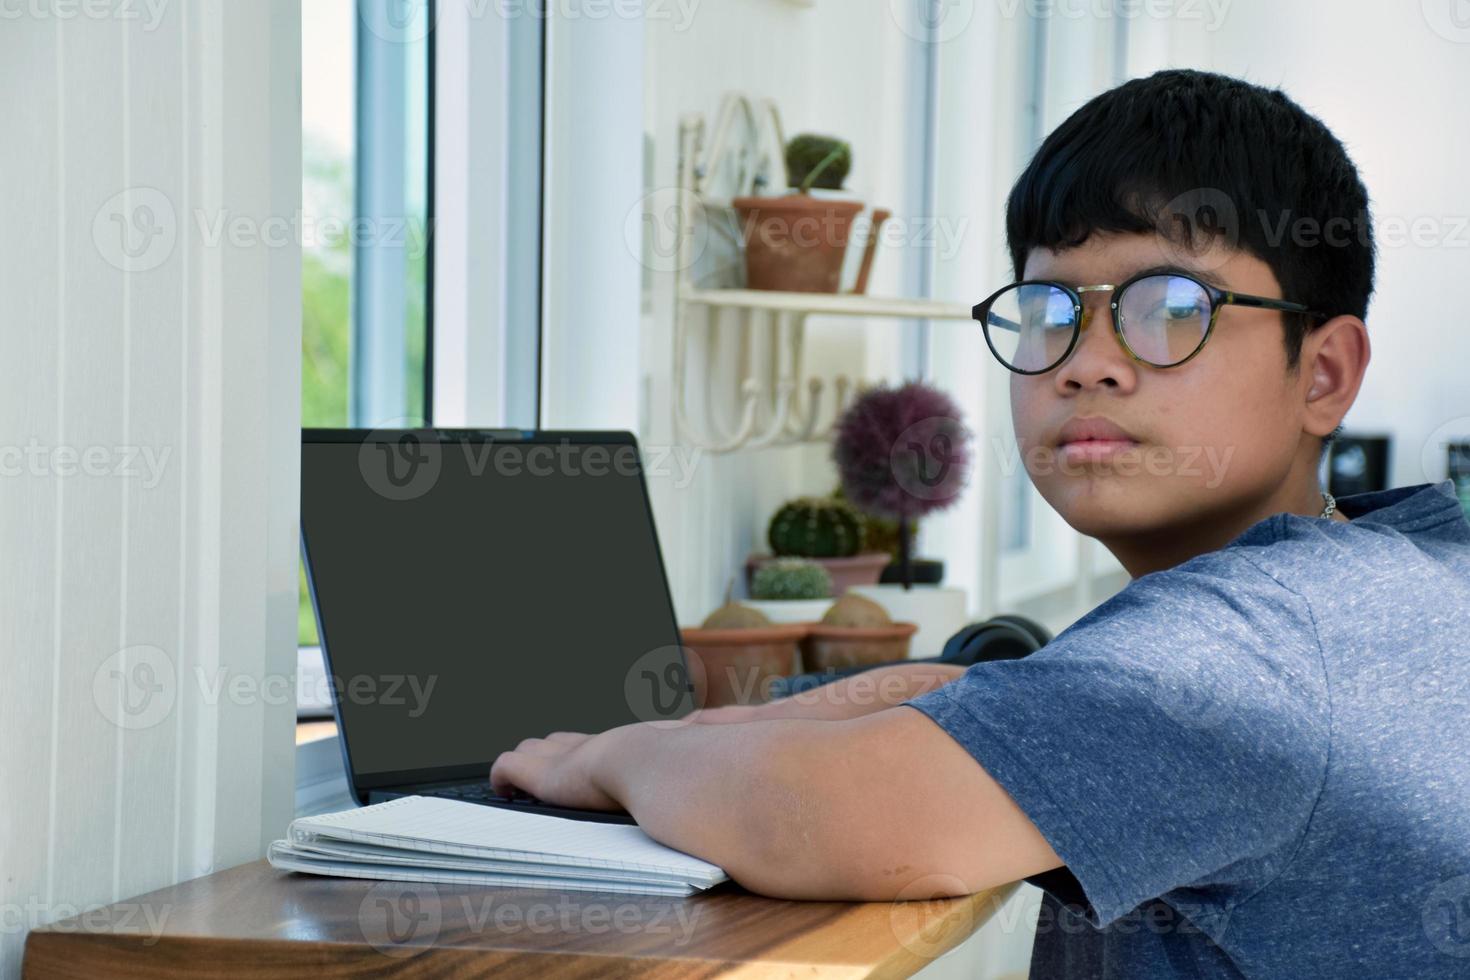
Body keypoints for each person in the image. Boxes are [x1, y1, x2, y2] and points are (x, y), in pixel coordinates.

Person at [490, 69, 1470, 977]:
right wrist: (816, 708)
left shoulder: (1253, 643)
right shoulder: (1403, 563)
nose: (1086, 362)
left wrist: (602, 755)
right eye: (1049, 308)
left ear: (1325, 373)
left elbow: (826, 813)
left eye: (1169, 306)